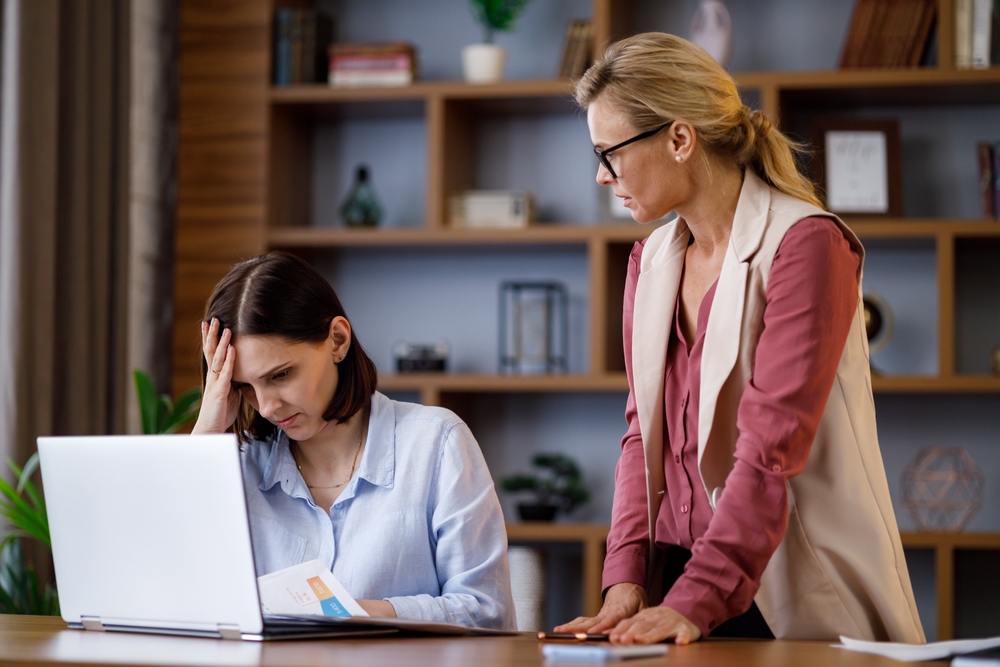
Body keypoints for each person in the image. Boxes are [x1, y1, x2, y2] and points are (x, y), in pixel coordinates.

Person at [556, 33, 925, 645]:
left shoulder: (807, 246)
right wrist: (625, 578)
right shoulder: (649, 261)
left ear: (679, 139)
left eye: (609, 153)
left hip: (789, 595)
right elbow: (642, 432)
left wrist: (696, 602)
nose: (601, 175)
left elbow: (767, 452)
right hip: (677, 585)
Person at [191, 251, 516, 630]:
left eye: (280, 375)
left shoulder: (437, 444)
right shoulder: (236, 467)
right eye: (245, 386)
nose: (266, 407)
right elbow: (178, 596)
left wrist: (354, 613)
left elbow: (485, 612)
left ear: (338, 340)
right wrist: (206, 435)